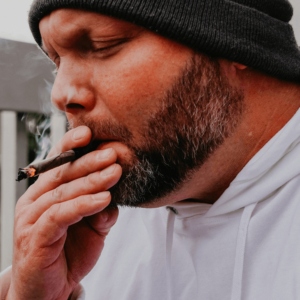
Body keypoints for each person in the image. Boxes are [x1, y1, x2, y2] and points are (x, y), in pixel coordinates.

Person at [1, 0, 300, 299]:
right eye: (56, 62)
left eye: (103, 44)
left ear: (236, 37)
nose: (61, 94)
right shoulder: (82, 237)